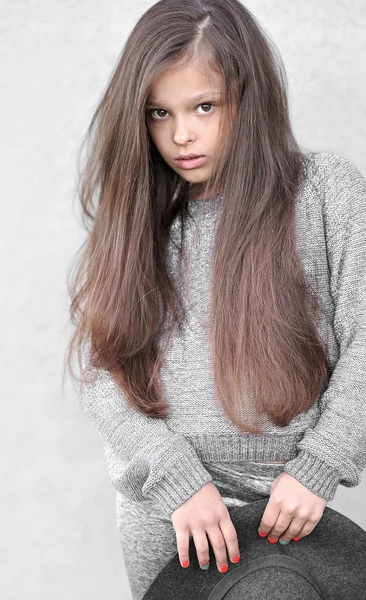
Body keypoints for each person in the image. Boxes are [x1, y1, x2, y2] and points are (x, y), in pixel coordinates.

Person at [64, 1, 366, 598]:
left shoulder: (327, 194)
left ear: (247, 98)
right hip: (176, 511)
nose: (181, 135)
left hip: (290, 501)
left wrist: (320, 463)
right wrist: (177, 479)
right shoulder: (139, 221)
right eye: (159, 113)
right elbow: (102, 370)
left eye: (204, 106)